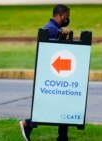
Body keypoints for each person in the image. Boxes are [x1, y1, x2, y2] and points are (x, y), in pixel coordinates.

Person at [19, 4, 71, 141]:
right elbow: (54, 52)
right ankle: (28, 123)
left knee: (62, 105)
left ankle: (63, 137)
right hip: (53, 75)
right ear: (62, 15)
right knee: (58, 106)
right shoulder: (51, 29)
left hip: (55, 74)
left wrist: (64, 35)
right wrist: (63, 37)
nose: (68, 19)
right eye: (67, 16)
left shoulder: (54, 28)